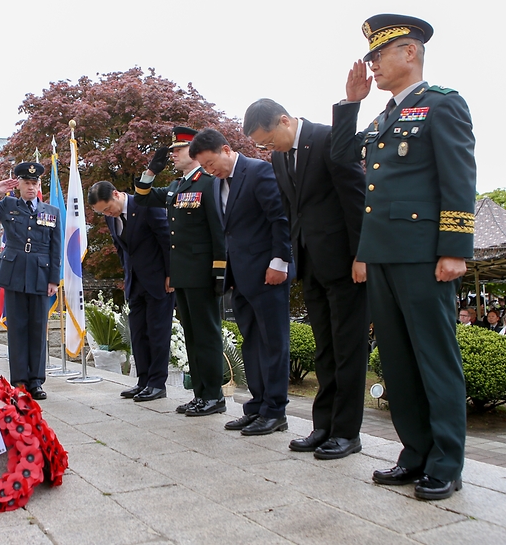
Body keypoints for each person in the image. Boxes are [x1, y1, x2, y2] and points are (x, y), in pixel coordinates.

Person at [331, 14, 476, 501]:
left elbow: (458, 178)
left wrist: (455, 248)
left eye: (378, 55)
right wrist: (349, 106)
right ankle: (414, 453)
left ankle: (446, 462)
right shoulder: (382, 116)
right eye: (369, 56)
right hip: (383, 255)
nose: (371, 65)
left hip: (424, 255)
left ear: (408, 53)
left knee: (434, 359)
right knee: (396, 362)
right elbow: (342, 159)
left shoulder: (443, 105)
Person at [242, 98, 368, 459]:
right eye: (262, 146)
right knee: (324, 349)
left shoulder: (329, 139)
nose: (268, 150)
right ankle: (323, 426)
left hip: (346, 263)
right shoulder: (281, 158)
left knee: (348, 349)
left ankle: (347, 432)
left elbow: (355, 198)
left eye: (268, 141)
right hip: (311, 264)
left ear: (284, 120)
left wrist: (362, 254)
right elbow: (290, 211)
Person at [189, 128, 293, 437]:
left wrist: (280, 262)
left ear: (225, 149)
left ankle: (276, 411)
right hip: (241, 277)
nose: (210, 171)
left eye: (211, 163)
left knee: (274, 343)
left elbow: (280, 219)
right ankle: (257, 406)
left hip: (268, 273)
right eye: (204, 167)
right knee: (252, 344)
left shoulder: (258, 171)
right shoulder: (218, 184)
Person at [134, 126, 228, 417]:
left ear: (195, 152)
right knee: (191, 336)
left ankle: (214, 395)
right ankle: (200, 394)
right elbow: (142, 197)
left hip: (202, 272)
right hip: (183, 274)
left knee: (207, 335)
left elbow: (218, 230)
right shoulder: (177, 186)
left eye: (178, 150)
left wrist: (219, 272)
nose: (172, 155)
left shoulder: (209, 182)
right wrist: (151, 171)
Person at [0, 162, 61, 400]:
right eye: (27, 183)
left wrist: (54, 280)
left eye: (34, 183)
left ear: (39, 185)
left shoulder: (51, 212)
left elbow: (55, 248)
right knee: (17, 328)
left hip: (41, 274)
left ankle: (36, 381)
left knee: (38, 328)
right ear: (18, 184)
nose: (31, 187)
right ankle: (19, 381)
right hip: (15, 272)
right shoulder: (7, 205)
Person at [87, 181, 174, 402]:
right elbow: (121, 248)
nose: (108, 213)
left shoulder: (146, 205)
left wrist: (172, 274)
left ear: (116, 194)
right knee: (138, 334)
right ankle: (143, 381)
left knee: (157, 334)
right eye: (102, 212)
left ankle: (157, 383)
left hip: (158, 280)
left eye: (108, 208)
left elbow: (167, 239)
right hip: (134, 282)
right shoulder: (110, 217)